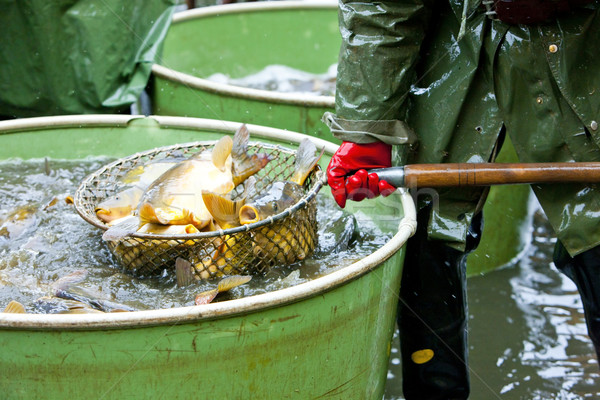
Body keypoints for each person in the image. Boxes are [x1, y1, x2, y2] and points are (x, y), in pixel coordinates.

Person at [324, 0, 600, 398]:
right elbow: (382, 7)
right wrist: (367, 129)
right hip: (455, 42)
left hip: (584, 45)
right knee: (424, 239)